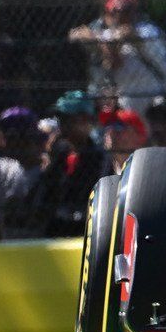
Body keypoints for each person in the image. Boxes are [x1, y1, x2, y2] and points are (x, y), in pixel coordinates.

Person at [96, 0, 166, 118]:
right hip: (126, 98)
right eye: (115, 11)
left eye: (126, 11)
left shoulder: (149, 31)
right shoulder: (108, 34)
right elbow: (113, 62)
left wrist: (120, 39)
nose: (121, 15)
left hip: (154, 95)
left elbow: (131, 35)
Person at [43, 90, 107, 237]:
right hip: (56, 227)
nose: (62, 125)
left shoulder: (99, 157)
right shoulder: (59, 152)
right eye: (61, 119)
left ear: (86, 120)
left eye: (68, 119)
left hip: (86, 229)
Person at [0, 107, 47, 241]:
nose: (1, 144)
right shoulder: (0, 168)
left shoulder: (49, 169)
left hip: (40, 243)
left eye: (8, 137)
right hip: (5, 243)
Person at [67, 0, 121, 92]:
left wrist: (95, 41)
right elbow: (73, 35)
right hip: (98, 90)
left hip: (124, 87)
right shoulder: (94, 26)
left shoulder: (133, 25)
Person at [100, 109, 148, 175]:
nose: (110, 133)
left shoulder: (148, 170)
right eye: (108, 126)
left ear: (138, 136)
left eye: (118, 127)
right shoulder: (99, 168)